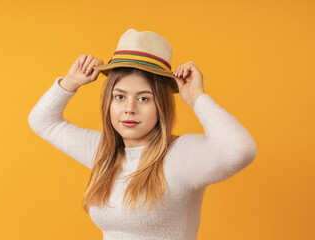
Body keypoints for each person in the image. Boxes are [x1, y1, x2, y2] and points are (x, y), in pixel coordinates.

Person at [28, 29, 258, 240]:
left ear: (161, 106)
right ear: (108, 101)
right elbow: (42, 121)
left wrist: (197, 97)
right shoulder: (103, 152)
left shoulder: (181, 155)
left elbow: (240, 150)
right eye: (119, 96)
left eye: (143, 98)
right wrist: (70, 82)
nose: (130, 108)